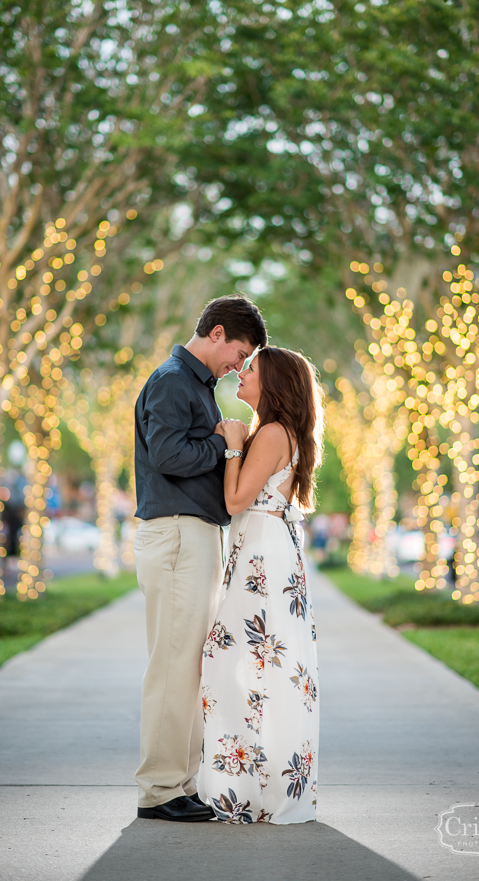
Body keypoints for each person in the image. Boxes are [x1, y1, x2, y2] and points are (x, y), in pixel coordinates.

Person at [133, 295, 268, 822]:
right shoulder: (171, 381)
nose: (239, 367)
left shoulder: (196, 386)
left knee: (188, 666)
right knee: (171, 665)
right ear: (216, 333)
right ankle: (159, 790)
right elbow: (168, 456)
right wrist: (224, 444)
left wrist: (219, 439)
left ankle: (180, 783)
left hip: (192, 535)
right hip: (175, 535)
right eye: (238, 353)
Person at [198, 346, 324, 824]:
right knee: (261, 669)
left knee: (231, 660)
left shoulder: (271, 433)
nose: (241, 372)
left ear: (274, 383)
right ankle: (257, 785)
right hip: (267, 551)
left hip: (262, 559)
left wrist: (233, 442)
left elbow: (234, 500)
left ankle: (246, 791)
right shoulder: (276, 432)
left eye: (251, 368)